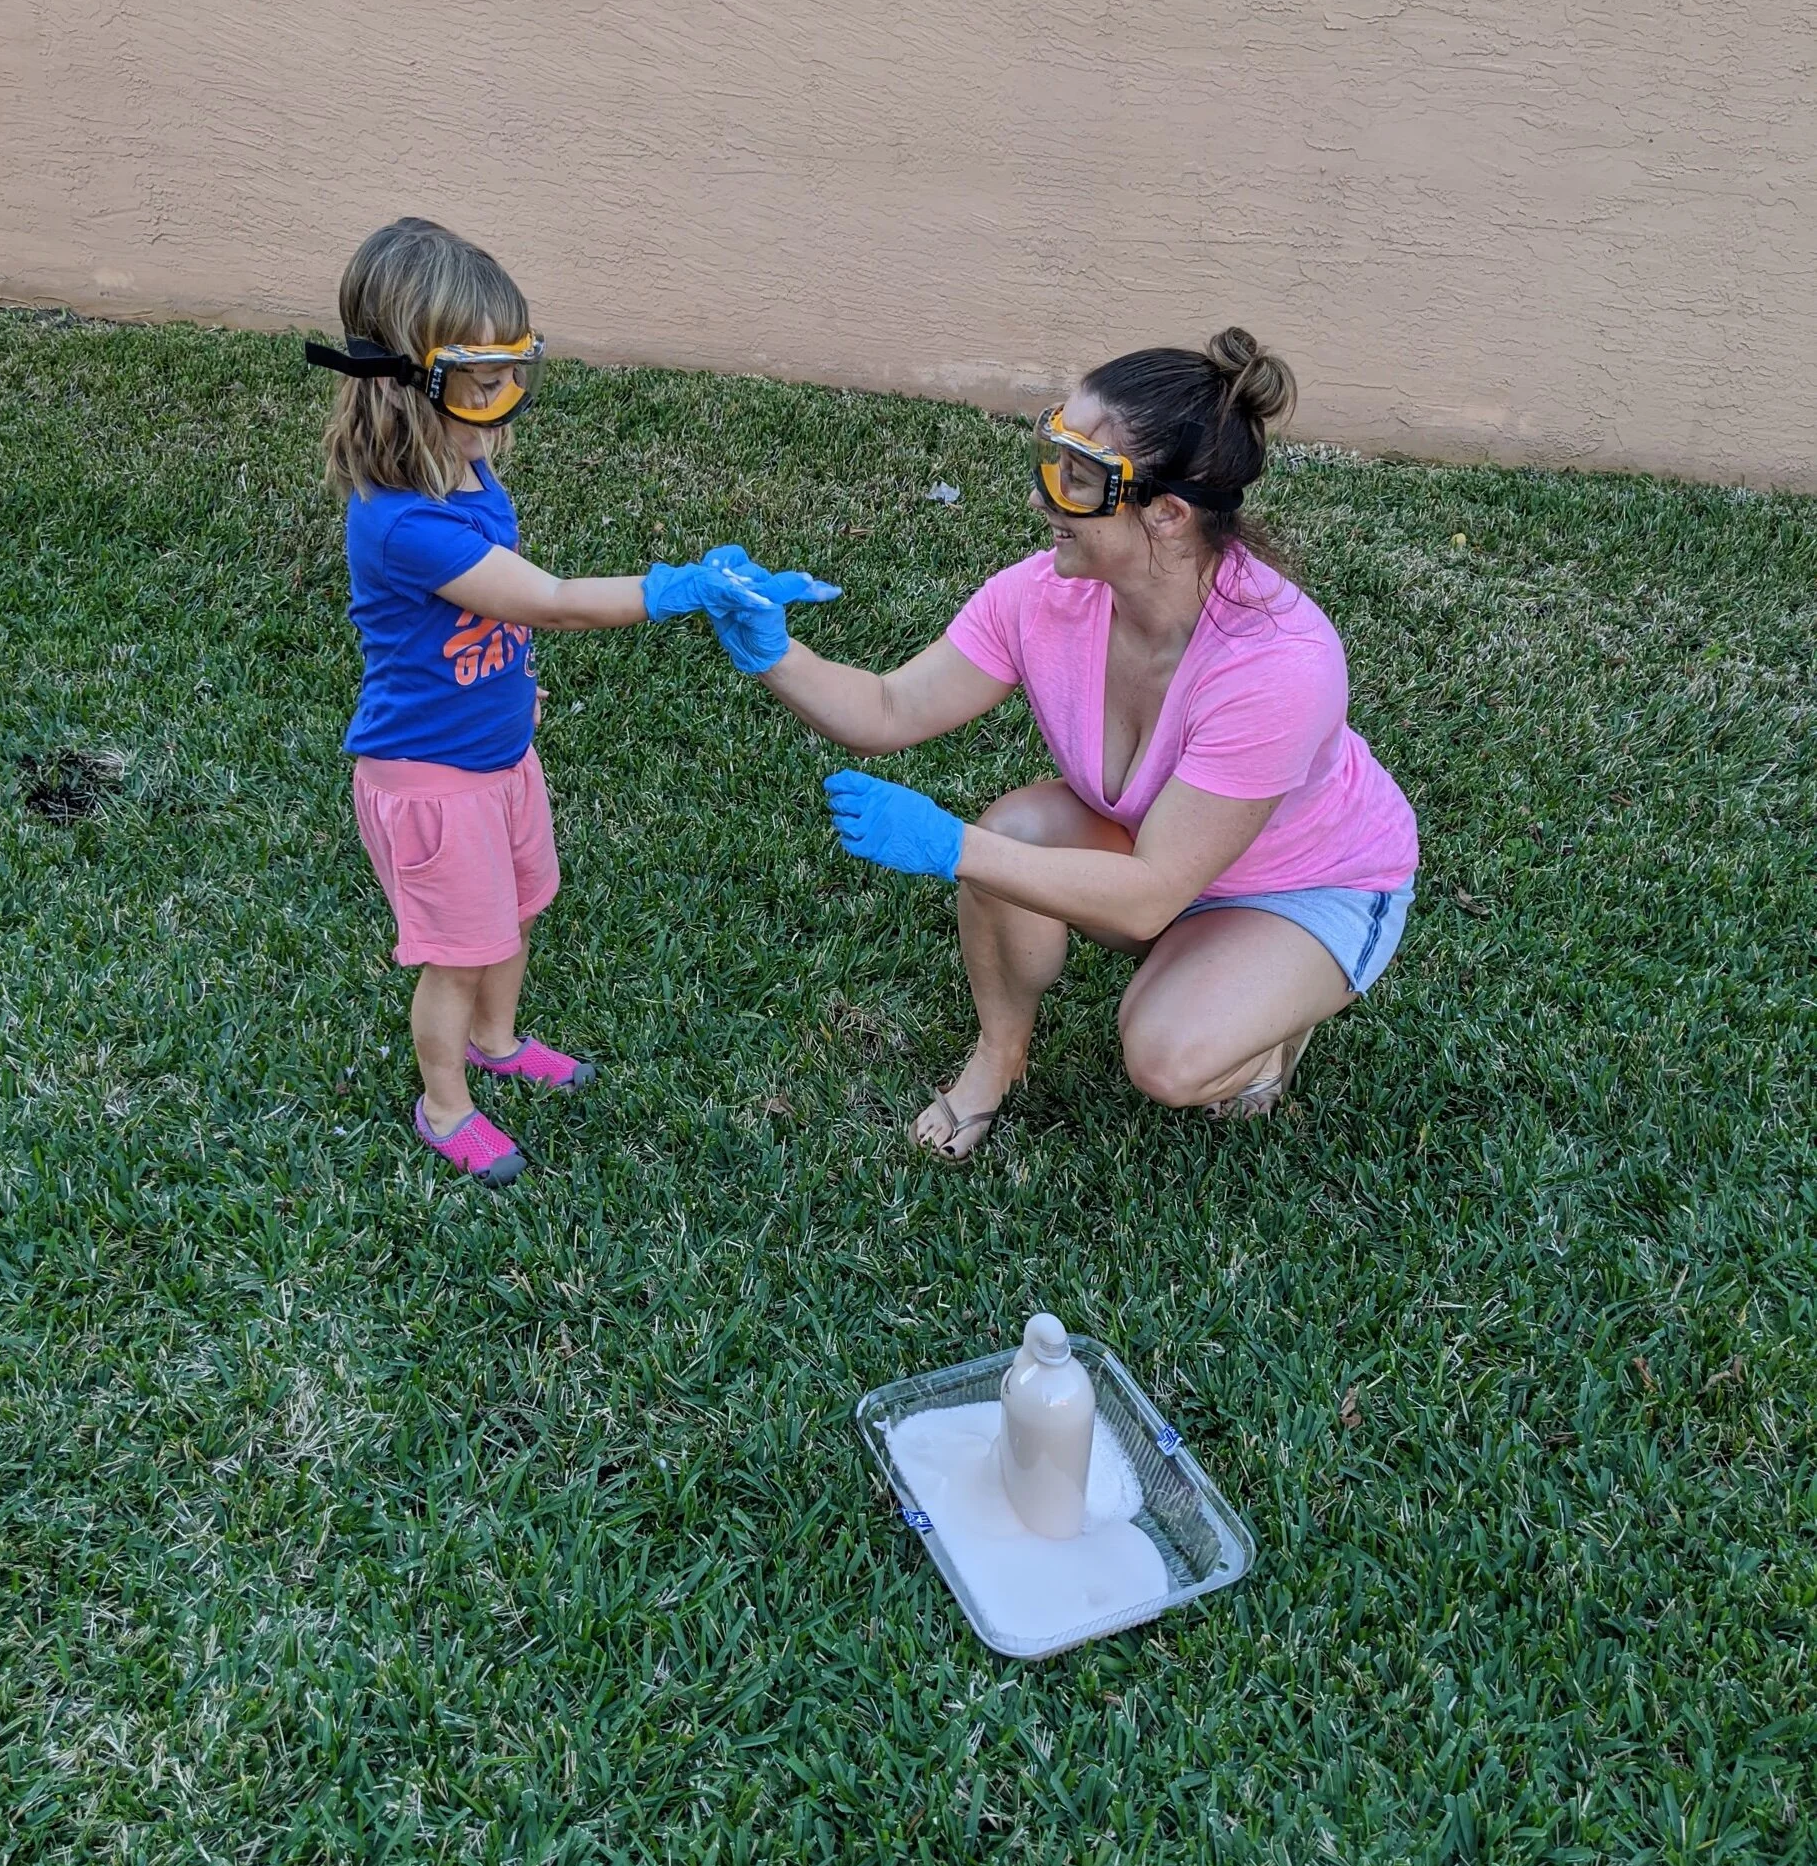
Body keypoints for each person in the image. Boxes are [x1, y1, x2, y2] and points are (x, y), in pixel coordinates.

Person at [697, 331, 1417, 1159]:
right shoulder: (1042, 596)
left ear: (1168, 513)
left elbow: (1148, 895)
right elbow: (889, 709)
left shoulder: (1277, 664)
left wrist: (949, 845)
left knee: (1168, 1058)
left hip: (1305, 883)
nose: (1042, 498)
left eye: (1075, 476)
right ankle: (999, 1056)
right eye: (1050, 452)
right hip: (1159, 855)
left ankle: (1267, 1029)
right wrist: (773, 651)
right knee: (1017, 837)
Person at [312, 217, 835, 1184]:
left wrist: (511, 690)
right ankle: (443, 1104)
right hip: (433, 784)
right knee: (457, 955)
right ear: (408, 384)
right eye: (486, 382)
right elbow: (546, 601)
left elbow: (489, 620)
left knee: (514, 913)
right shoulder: (402, 526)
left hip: (501, 750)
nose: (508, 402)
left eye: (518, 371)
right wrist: (673, 589)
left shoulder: (465, 467)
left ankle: (497, 1044)